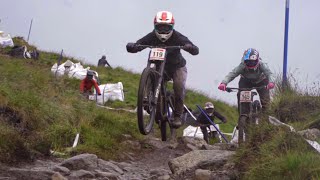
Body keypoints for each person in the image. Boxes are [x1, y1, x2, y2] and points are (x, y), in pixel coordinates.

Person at [126, 11, 199, 128]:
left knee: (179, 86)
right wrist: (133, 46)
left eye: (167, 27)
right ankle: (148, 99)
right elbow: (139, 44)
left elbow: (195, 50)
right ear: (155, 26)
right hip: (160, 67)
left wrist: (190, 47)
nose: (163, 31)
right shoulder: (152, 36)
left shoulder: (177, 36)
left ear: (172, 27)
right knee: (151, 74)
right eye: (160, 27)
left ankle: (177, 116)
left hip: (177, 67)